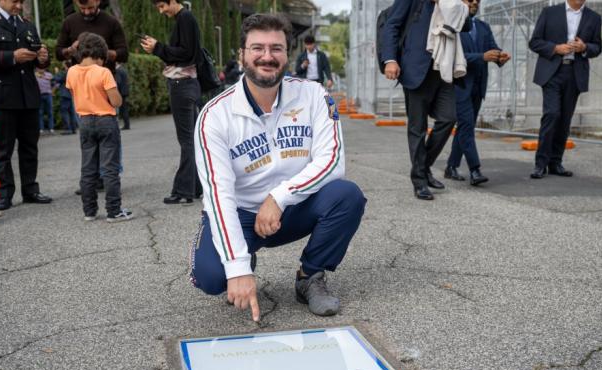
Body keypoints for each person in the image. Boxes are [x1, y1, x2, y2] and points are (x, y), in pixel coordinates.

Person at [191, 14, 366, 321]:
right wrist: (238, 267)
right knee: (212, 278)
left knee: (346, 195)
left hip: (293, 208)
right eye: (257, 48)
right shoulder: (214, 116)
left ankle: (309, 276)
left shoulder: (315, 96)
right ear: (242, 54)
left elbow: (332, 161)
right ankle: (245, 255)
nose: (267, 57)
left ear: (288, 54)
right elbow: (218, 197)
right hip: (243, 213)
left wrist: (280, 197)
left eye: (277, 48)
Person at [381, 0, 468, 201]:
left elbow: (465, 26)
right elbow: (392, 25)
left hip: (443, 68)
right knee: (417, 128)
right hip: (415, 68)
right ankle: (419, 180)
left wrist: (457, 6)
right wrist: (390, 59)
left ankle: (423, 166)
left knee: (448, 118)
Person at [0, 0, 53, 211]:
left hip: (28, 95)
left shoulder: (26, 24)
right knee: (3, 149)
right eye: (15, 1)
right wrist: (12, 57)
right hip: (2, 97)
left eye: (22, 1)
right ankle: (4, 193)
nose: (19, 5)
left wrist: (43, 58)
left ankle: (31, 189)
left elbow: (37, 58)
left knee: (30, 146)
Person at [56, 0, 128, 194]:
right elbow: (58, 52)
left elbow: (124, 53)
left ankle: (109, 175)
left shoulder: (111, 22)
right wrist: (72, 50)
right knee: (88, 136)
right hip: (82, 84)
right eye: (82, 8)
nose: (86, 12)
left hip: (106, 82)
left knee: (110, 134)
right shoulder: (70, 22)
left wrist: (103, 53)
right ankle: (91, 178)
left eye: (90, 7)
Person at [528, 0, 601, 179]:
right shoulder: (549, 12)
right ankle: (540, 163)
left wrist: (585, 47)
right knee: (552, 114)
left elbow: (597, 47)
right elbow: (535, 42)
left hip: (575, 73)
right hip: (552, 72)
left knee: (565, 119)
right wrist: (555, 48)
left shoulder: (594, 17)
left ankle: (555, 162)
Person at [66, 32, 132, 223]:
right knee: (109, 168)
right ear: (101, 54)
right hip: (106, 121)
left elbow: (74, 97)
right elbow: (116, 101)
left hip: (84, 121)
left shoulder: (72, 72)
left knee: (88, 168)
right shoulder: (103, 72)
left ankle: (89, 211)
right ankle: (113, 211)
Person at [141, 0, 202, 205]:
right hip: (188, 84)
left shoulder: (184, 18)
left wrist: (158, 48)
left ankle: (184, 190)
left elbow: (185, 53)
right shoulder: (186, 18)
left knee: (186, 140)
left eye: (162, 6)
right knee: (192, 139)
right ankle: (195, 187)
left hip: (181, 84)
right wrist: (159, 48)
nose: (161, 11)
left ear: (173, 1)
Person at [444, 0, 510, 185]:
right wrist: (482, 56)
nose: (474, 3)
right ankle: (475, 169)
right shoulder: (452, 26)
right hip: (459, 85)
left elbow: (492, 47)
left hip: (478, 86)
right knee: (466, 126)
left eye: (477, 1)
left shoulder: (483, 27)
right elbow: (450, 56)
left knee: (466, 127)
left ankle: (451, 166)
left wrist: (500, 56)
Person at [54, 61, 78, 135]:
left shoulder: (66, 72)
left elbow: (57, 79)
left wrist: (57, 72)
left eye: (63, 65)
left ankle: (68, 129)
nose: (62, 66)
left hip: (65, 95)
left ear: (66, 65)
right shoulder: (73, 72)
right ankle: (73, 128)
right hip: (71, 95)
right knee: (71, 112)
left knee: (64, 112)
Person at [35, 67, 54, 134]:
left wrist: (53, 90)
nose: (40, 69)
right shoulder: (35, 75)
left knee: (50, 112)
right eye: (39, 68)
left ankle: (51, 128)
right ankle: (41, 129)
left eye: (42, 68)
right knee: (40, 113)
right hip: (39, 95)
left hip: (48, 95)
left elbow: (55, 83)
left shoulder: (49, 75)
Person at [115, 62, 129, 130]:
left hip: (121, 92)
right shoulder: (123, 69)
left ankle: (126, 125)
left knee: (123, 109)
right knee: (124, 108)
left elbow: (118, 82)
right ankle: (127, 124)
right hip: (125, 91)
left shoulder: (118, 71)